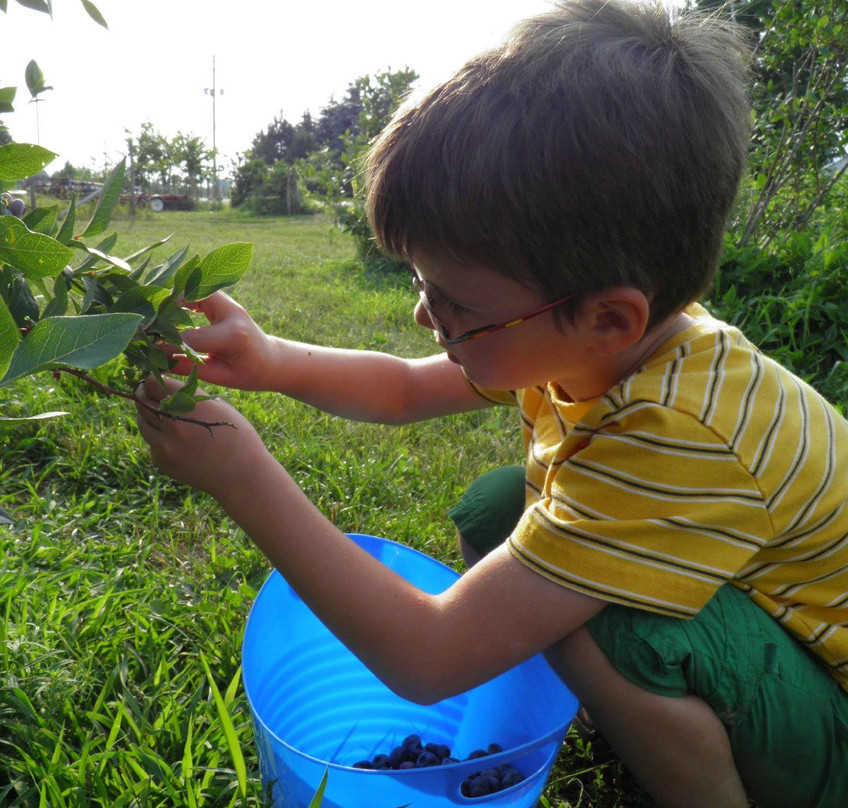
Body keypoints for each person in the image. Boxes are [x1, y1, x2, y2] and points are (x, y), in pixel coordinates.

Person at [133, 1, 848, 806]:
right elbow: (405, 388)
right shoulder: (593, 340)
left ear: (609, 316)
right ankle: (632, 713)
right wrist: (270, 360)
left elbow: (429, 656)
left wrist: (239, 475)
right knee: (501, 507)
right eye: (421, 285)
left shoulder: (678, 433)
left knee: (605, 622)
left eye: (457, 305)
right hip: (769, 641)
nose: (424, 317)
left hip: (833, 711)